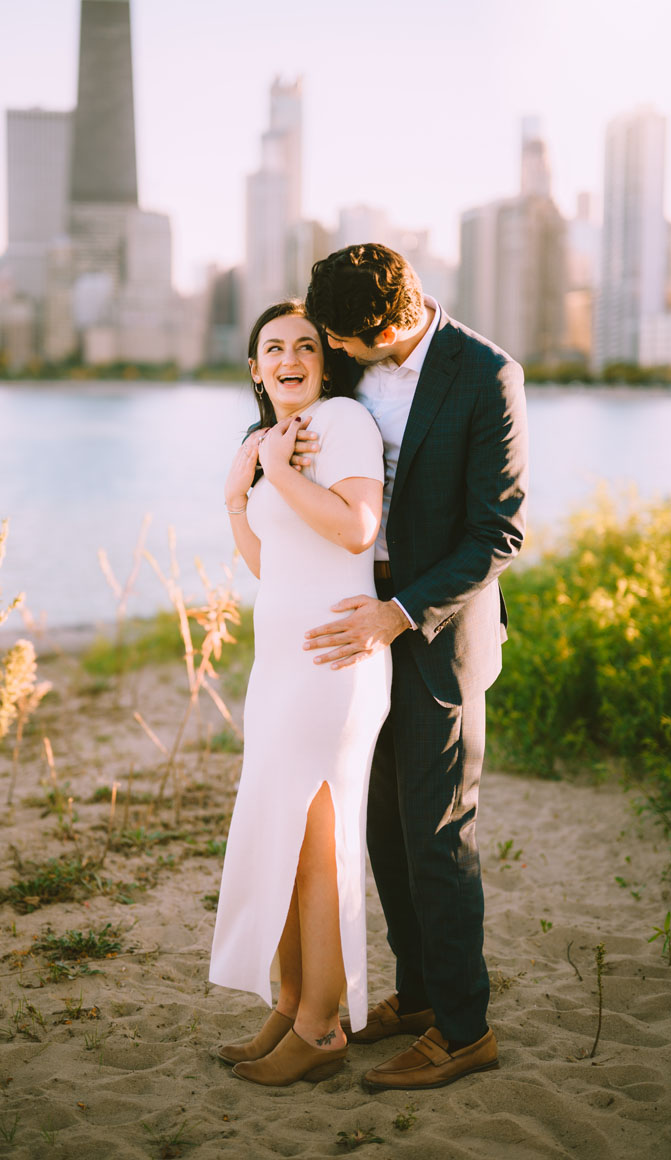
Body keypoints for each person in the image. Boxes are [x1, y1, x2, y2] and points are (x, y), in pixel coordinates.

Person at [303, 243, 528, 1091]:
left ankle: (466, 1031)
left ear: (393, 322)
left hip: (432, 636)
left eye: (346, 341)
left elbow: (497, 533)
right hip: (359, 626)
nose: (335, 353)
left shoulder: (487, 374)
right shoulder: (351, 367)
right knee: (383, 832)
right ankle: (422, 996)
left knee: (438, 838)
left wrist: (400, 614)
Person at [209, 300, 392, 1087]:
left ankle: (322, 1028)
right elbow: (272, 565)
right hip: (278, 667)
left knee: (319, 850)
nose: (289, 357)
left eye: (305, 346)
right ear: (254, 367)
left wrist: (279, 473)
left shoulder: (343, 420)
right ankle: (289, 1005)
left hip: (332, 666)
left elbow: (356, 529)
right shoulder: (267, 441)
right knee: (281, 835)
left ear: (325, 361)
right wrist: (237, 496)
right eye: (272, 347)